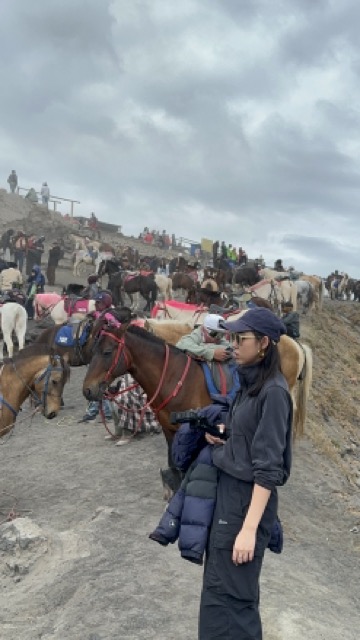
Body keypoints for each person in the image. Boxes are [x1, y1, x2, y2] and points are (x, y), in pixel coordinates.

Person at [196, 307, 292, 639]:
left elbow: (268, 469)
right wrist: (224, 436)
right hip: (229, 499)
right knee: (218, 593)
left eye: (241, 338)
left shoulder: (274, 392)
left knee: (234, 601)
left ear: (264, 343)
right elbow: (247, 436)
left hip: (244, 505)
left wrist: (249, 529)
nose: (233, 344)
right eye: (231, 337)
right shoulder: (249, 385)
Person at [78, 291, 115, 423]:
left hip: (102, 355)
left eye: (98, 302)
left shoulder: (108, 315)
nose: (96, 304)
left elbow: (115, 325)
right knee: (98, 382)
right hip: (99, 353)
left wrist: (102, 321)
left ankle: (101, 412)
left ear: (105, 304)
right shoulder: (103, 314)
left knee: (97, 381)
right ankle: (101, 411)